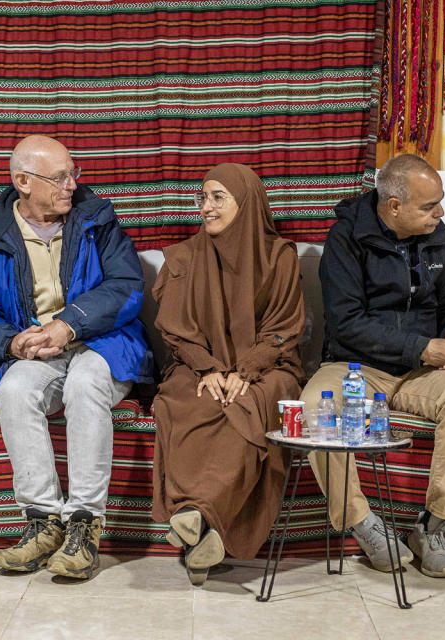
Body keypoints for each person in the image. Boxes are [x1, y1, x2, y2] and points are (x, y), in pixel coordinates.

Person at [0, 135, 151, 581]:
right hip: (39, 349)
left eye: (73, 173)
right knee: (15, 388)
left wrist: (69, 323)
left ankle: (84, 526)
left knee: (84, 385)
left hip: (103, 342)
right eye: (59, 177)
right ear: (23, 182)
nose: (71, 184)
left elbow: (127, 288)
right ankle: (42, 522)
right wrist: (12, 343)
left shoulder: (97, 220)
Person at [301, 153, 445, 578]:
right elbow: (347, 323)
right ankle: (361, 524)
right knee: (316, 404)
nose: (439, 213)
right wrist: (423, 348)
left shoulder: (438, 237)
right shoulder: (345, 239)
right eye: (428, 206)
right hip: (355, 366)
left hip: (422, 372)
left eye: (440, 202)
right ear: (394, 207)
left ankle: (434, 526)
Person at [151, 163, 305, 585]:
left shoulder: (279, 257)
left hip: (269, 367)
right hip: (198, 365)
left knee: (253, 400)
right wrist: (209, 367)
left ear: (247, 202)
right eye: (202, 197)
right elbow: (176, 331)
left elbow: (284, 329)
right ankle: (203, 532)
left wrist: (248, 368)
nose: (206, 206)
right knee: (188, 400)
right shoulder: (183, 258)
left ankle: (194, 517)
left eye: (218, 197)